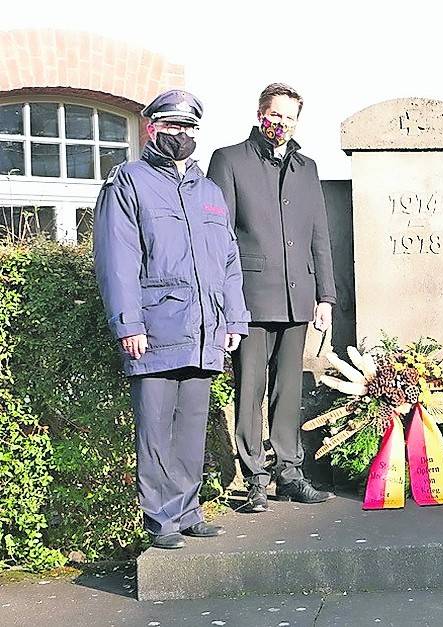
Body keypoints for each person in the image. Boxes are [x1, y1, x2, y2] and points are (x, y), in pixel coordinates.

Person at [93, 89, 250, 549]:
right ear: (152, 128)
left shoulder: (210, 192)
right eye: (172, 126)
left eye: (188, 127)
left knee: (190, 427)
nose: (181, 134)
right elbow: (117, 258)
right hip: (156, 328)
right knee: (156, 430)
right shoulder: (129, 182)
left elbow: (229, 261)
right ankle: (161, 520)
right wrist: (129, 324)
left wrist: (234, 319)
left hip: (204, 330)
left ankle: (187, 511)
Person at [207, 83, 337, 512]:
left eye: (289, 117)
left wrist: (325, 296)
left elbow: (319, 234)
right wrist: (225, 301)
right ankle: (255, 478)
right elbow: (218, 236)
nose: (281, 123)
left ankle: (289, 472)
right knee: (250, 389)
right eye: (275, 114)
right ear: (261, 113)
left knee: (288, 389)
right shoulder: (229, 160)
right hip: (249, 297)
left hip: (298, 296)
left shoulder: (307, 167)